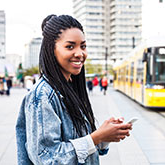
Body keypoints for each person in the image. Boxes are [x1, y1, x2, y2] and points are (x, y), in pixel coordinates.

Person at [16, 14, 132, 165]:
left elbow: (82, 145)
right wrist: (96, 137)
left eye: (83, 46)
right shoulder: (42, 95)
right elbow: (46, 158)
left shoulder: (70, 87)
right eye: (70, 46)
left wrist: (104, 134)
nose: (80, 53)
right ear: (51, 49)